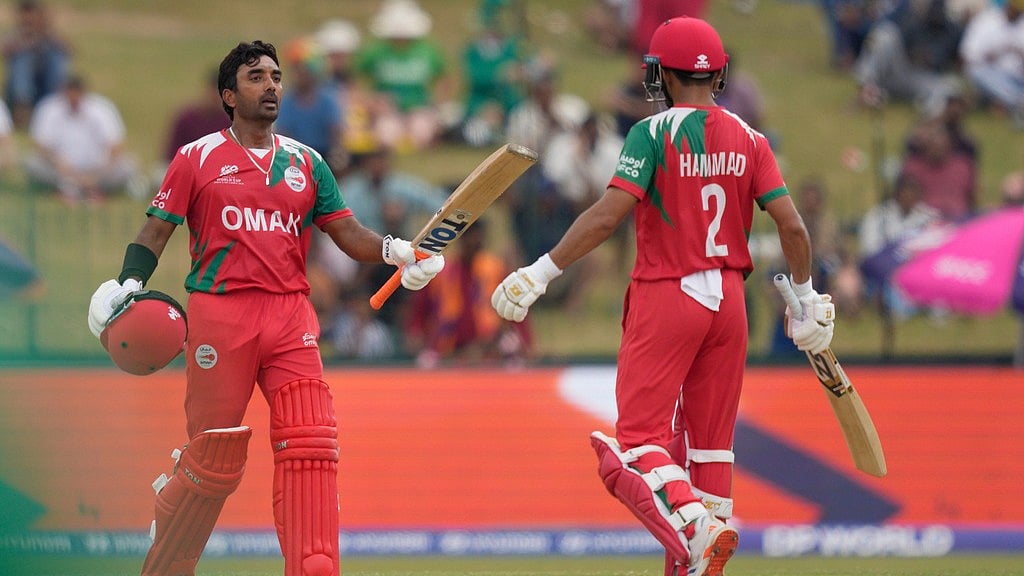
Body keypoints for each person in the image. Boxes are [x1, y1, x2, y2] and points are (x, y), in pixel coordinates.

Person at [490, 17, 835, 576]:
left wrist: (541, 271)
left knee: (633, 446)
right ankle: (705, 530)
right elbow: (793, 229)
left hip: (668, 293)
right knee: (711, 455)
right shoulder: (752, 138)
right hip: (730, 303)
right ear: (719, 73)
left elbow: (608, 216)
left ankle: (696, 528)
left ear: (662, 76)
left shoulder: (652, 134)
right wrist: (806, 297)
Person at [85, 40, 444, 576]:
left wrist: (398, 252)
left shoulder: (307, 160)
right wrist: (129, 281)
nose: (272, 85)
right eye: (257, 77)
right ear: (229, 95)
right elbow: (158, 228)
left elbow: (345, 231)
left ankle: (313, 565)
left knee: (311, 442)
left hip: (289, 315)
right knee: (212, 459)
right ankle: (166, 561)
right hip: (219, 315)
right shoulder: (198, 157)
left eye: (275, 76)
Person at [24, 74, 141, 203]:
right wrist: (58, 162)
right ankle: (73, 189)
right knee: (33, 163)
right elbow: (41, 145)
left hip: (97, 169)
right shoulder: (49, 108)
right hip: (61, 170)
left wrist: (98, 173)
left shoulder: (102, 108)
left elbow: (115, 146)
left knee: (128, 165)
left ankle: (85, 189)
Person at [2, 0, 71, 129]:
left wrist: (48, 34)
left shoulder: (49, 35)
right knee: (22, 59)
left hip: (46, 85)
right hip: (21, 88)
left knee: (54, 56)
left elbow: (69, 51)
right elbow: (4, 50)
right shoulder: (16, 35)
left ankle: (54, 106)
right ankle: (23, 110)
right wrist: (25, 41)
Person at [958, 0, 1024, 128]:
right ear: (1008, 6)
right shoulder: (986, 21)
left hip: (1018, 77)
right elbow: (967, 57)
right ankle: (1017, 103)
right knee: (976, 72)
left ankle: (1007, 103)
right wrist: (994, 53)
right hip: (992, 75)